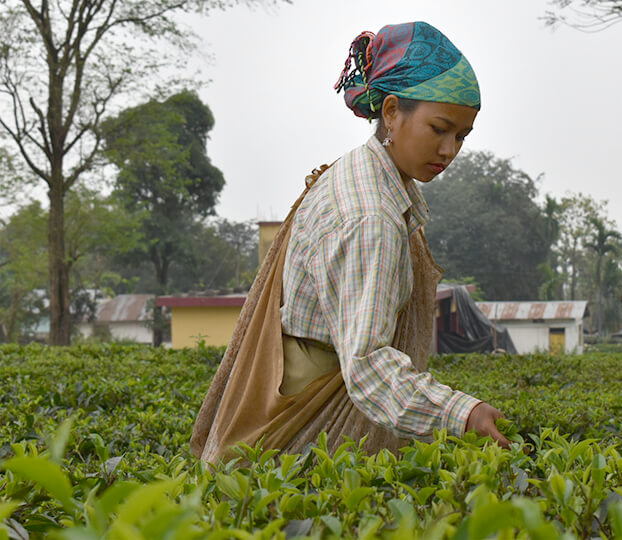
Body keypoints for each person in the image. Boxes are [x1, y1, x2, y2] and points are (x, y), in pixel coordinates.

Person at [190, 21, 509, 463]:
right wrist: (463, 413)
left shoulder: (356, 171)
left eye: (461, 136)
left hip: (289, 389)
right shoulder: (370, 216)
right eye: (439, 128)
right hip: (307, 413)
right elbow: (368, 367)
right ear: (393, 111)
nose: (450, 149)